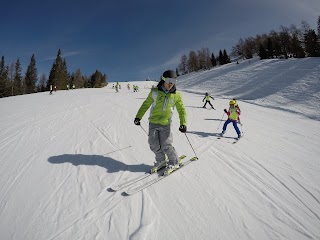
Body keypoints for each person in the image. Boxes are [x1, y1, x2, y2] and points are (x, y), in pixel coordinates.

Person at [134, 70, 187, 175]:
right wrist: (138, 117)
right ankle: (161, 161)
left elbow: (181, 110)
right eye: (169, 80)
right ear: (163, 79)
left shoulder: (176, 95)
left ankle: (174, 161)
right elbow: (146, 105)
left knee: (166, 145)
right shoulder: (154, 92)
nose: (171, 84)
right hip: (153, 123)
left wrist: (183, 123)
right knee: (153, 144)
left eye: (173, 81)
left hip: (165, 124)